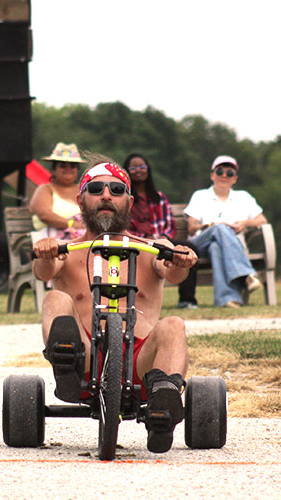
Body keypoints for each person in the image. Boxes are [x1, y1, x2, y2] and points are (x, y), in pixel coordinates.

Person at [32, 161, 198, 453]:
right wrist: (45, 252)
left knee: (174, 325)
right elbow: (44, 272)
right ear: (80, 199)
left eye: (117, 189)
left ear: (129, 201)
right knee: (55, 299)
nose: (107, 195)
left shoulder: (152, 248)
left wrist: (179, 259)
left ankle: (164, 401)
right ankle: (65, 358)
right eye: (96, 189)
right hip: (82, 358)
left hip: (141, 363)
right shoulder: (66, 252)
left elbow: (172, 271)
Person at [183, 155, 266, 308]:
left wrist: (245, 223)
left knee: (217, 247)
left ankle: (226, 299)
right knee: (220, 228)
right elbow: (191, 227)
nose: (224, 176)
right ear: (212, 175)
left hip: (229, 249)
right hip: (200, 244)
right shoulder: (200, 196)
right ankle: (247, 274)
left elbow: (262, 220)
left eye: (229, 173)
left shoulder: (244, 197)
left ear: (235, 178)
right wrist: (210, 226)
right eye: (220, 171)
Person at [123, 153, 200, 309]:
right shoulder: (125, 199)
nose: (138, 170)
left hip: (161, 242)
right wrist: (144, 239)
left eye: (142, 166)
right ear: (127, 171)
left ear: (148, 170)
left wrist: (163, 238)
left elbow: (170, 225)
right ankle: (134, 302)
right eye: (134, 167)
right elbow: (124, 227)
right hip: (136, 243)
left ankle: (187, 300)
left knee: (188, 249)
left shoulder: (159, 198)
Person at [29, 142, 87, 241]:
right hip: (50, 242)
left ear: (77, 170)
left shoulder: (84, 190)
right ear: (53, 169)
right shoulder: (45, 189)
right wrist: (73, 225)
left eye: (72, 166)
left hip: (83, 240)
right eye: (63, 166)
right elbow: (45, 215)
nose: (68, 169)